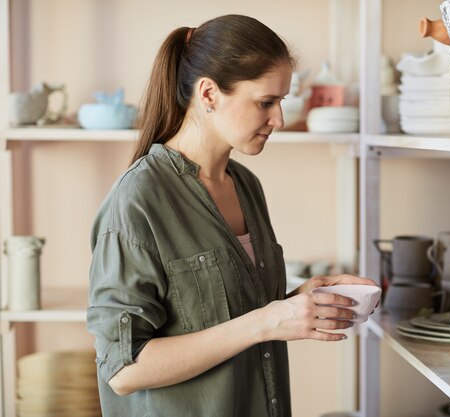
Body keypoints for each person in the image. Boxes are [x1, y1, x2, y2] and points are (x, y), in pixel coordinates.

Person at [87, 14, 376, 417]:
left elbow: (235, 318)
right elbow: (122, 368)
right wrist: (268, 321)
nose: (278, 119)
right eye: (265, 102)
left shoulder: (245, 185)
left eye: (281, 101)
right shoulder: (137, 200)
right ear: (208, 94)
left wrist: (297, 303)